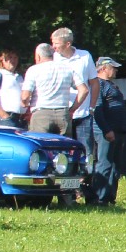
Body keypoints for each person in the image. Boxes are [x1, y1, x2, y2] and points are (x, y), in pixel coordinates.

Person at [50, 28, 98, 167]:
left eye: (56, 43)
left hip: (83, 114)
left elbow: (94, 83)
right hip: (61, 113)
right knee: (62, 154)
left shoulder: (84, 56)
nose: (53, 47)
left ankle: (86, 179)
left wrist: (92, 108)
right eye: (52, 43)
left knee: (86, 153)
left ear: (68, 44)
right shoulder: (53, 58)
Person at [88, 57, 126, 204]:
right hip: (105, 132)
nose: (116, 70)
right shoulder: (98, 84)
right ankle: (99, 198)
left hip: (118, 131)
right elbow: (97, 109)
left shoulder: (111, 85)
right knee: (104, 164)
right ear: (104, 68)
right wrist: (106, 130)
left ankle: (110, 197)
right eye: (113, 67)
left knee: (115, 165)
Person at [22, 43, 81, 136]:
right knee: (62, 144)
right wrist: (72, 109)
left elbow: (25, 96)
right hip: (62, 113)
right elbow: (84, 90)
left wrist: (25, 104)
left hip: (41, 114)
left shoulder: (34, 70)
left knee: (41, 143)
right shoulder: (67, 69)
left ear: (38, 56)